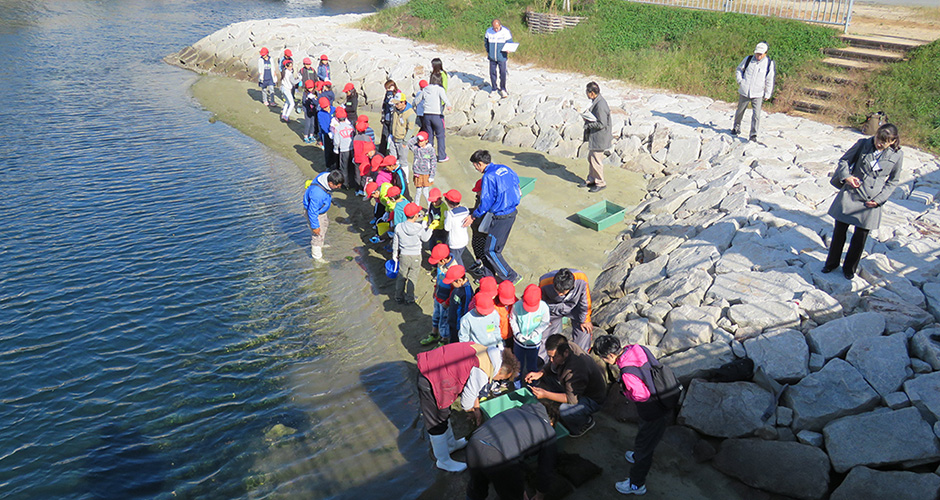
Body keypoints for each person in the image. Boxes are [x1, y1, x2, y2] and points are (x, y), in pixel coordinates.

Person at [592, 335, 682, 496]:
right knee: (643, 437)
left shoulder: (627, 373)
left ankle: (636, 484)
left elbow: (641, 396)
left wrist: (627, 392)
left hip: (653, 412)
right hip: (662, 396)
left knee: (644, 448)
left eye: (604, 358)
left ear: (611, 356)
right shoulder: (636, 348)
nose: (605, 361)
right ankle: (637, 455)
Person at [416, 342, 520, 471]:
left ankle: (450, 444)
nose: (497, 380)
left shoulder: (486, 352)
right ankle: (443, 460)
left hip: (436, 366)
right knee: (437, 421)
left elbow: (472, 385)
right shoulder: (483, 370)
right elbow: (466, 402)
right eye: (500, 378)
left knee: (444, 414)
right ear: (499, 369)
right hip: (431, 379)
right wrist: (472, 411)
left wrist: (476, 407)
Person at [824, 124, 903, 279]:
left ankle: (849, 269)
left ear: (892, 141)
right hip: (852, 193)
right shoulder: (863, 144)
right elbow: (844, 161)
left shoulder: (897, 155)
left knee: (860, 238)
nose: (879, 143)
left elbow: (893, 181)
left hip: (871, 200)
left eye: (884, 141)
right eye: (878, 138)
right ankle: (831, 263)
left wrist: (879, 200)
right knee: (839, 232)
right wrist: (847, 176)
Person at [465, 404, 556, 500]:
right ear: (551, 423)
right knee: (512, 495)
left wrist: (519, 488)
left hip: (474, 443)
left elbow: (514, 445)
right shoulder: (548, 431)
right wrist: (540, 494)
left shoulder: (514, 411)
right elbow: (546, 469)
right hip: (499, 457)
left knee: (477, 487)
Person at [524, 334, 606, 437]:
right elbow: (551, 366)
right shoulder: (566, 346)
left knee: (564, 410)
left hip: (592, 398)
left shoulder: (576, 370)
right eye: (549, 356)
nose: (551, 360)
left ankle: (584, 423)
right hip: (575, 387)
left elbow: (572, 399)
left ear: (565, 353)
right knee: (546, 376)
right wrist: (540, 373)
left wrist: (545, 394)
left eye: (553, 357)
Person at [462, 150, 521, 283]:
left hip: (501, 217)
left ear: (480, 164)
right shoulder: (504, 168)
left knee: (491, 250)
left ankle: (511, 275)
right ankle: (488, 276)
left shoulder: (488, 176)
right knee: (490, 247)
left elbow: (486, 202)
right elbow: (517, 183)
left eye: (475, 166)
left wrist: (473, 216)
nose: (476, 169)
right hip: (511, 212)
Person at [539, 268, 593, 357]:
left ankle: (579, 359)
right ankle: (544, 362)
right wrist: (543, 318)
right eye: (557, 290)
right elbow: (541, 301)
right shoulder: (545, 282)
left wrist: (586, 320)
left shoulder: (581, 279)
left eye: (562, 292)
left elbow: (585, 300)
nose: (560, 294)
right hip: (553, 309)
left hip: (575, 307)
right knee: (545, 337)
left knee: (585, 331)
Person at [732, 42, 775, 142]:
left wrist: (768, 93)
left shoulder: (769, 64)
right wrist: (741, 81)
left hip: (758, 93)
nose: (758, 56)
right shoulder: (748, 59)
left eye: (760, 54)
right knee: (740, 111)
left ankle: (753, 134)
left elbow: (769, 79)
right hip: (745, 91)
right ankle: (736, 128)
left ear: (765, 53)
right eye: (757, 54)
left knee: (756, 115)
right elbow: (739, 69)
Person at [393, 202, 432, 304]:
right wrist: (430, 228)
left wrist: (394, 254)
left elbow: (395, 242)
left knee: (401, 276)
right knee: (412, 277)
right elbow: (425, 238)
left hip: (403, 255)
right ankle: (410, 298)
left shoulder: (399, 227)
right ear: (416, 215)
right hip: (416, 256)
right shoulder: (419, 228)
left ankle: (398, 296)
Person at [302, 171, 344, 263]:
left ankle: (320, 244)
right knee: (317, 234)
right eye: (337, 186)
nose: (339, 187)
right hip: (315, 213)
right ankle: (317, 257)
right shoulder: (318, 194)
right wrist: (315, 226)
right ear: (330, 183)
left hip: (321, 210)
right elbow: (312, 212)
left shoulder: (326, 176)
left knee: (324, 225)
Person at [511, 284, 550, 379]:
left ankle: (532, 384)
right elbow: (513, 320)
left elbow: (545, 322)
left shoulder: (544, 307)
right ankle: (517, 385)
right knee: (517, 365)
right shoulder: (517, 306)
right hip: (518, 342)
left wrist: (536, 332)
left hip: (534, 343)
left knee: (532, 366)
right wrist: (517, 334)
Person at [423, 243, 456, 346]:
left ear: (444, 260)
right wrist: (435, 290)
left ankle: (444, 339)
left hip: (446, 301)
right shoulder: (440, 264)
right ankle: (434, 333)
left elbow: (454, 289)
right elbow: (438, 278)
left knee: (444, 320)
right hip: (438, 295)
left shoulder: (453, 269)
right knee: (436, 315)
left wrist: (447, 302)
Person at [415, 73, 452, 162]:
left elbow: (417, 100)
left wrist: (413, 106)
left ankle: (428, 156)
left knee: (430, 135)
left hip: (427, 115)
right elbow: (445, 98)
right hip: (437, 115)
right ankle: (442, 156)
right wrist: (449, 105)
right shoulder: (439, 89)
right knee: (440, 136)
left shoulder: (425, 89)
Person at [582, 81, 611, 193]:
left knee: (597, 160)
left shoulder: (601, 105)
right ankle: (592, 179)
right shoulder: (597, 101)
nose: (586, 94)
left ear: (592, 93)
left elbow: (602, 123)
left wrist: (588, 124)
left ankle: (600, 182)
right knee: (591, 158)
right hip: (595, 136)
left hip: (600, 137)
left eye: (587, 92)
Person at [389, 94, 418, 177]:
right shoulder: (395, 110)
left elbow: (411, 129)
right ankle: (394, 177)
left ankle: (405, 179)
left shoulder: (410, 113)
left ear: (403, 102)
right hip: (394, 138)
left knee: (403, 161)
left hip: (402, 141)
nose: (396, 105)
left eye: (397, 104)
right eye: (395, 103)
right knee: (392, 159)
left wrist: (405, 142)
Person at [484, 19, 513, 98]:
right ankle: (494, 89)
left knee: (503, 73)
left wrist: (508, 50)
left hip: (502, 57)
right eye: (494, 28)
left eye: (497, 28)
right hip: (492, 57)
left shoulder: (506, 32)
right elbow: (486, 43)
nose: (496, 30)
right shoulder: (489, 31)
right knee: (492, 73)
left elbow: (510, 42)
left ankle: (503, 89)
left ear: (500, 25)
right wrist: (489, 52)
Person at [445, 265, 475, 343]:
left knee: (455, 343)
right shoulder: (457, 287)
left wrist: (460, 327)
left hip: (458, 326)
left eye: (452, 282)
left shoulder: (466, 294)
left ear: (459, 281)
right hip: (452, 320)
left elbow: (465, 312)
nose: (451, 284)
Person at [407, 131, 437, 206]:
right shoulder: (416, 148)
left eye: (421, 141)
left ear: (426, 141)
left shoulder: (430, 149)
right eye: (418, 141)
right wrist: (416, 137)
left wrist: (432, 176)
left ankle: (430, 207)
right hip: (417, 173)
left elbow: (433, 162)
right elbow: (408, 143)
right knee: (418, 192)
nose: (419, 142)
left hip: (426, 174)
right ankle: (416, 207)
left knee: (425, 192)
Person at [442, 189, 470, 268]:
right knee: (458, 256)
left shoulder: (450, 214)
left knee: (456, 260)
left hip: (455, 243)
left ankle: (461, 275)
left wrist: (445, 217)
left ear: (449, 203)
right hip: (464, 240)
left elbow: (447, 228)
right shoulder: (466, 210)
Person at [330, 108, 355, 191]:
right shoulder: (350, 126)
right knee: (351, 166)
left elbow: (336, 141)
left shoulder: (338, 128)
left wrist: (336, 149)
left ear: (337, 118)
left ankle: (345, 184)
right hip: (351, 149)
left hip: (343, 150)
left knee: (344, 168)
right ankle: (352, 182)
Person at [379, 80, 400, 155]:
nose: (387, 90)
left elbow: (392, 103)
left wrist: (390, 94)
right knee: (384, 136)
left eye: (388, 88)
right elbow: (385, 105)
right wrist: (382, 117)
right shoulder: (388, 94)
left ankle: (393, 152)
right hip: (386, 118)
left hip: (393, 119)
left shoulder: (397, 94)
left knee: (393, 136)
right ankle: (382, 152)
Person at [316, 97, 336, 170]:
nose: (326, 109)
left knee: (335, 149)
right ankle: (329, 166)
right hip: (326, 134)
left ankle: (335, 164)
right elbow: (322, 125)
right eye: (324, 107)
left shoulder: (334, 109)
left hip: (335, 132)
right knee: (328, 150)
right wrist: (329, 133)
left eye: (327, 107)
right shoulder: (320, 114)